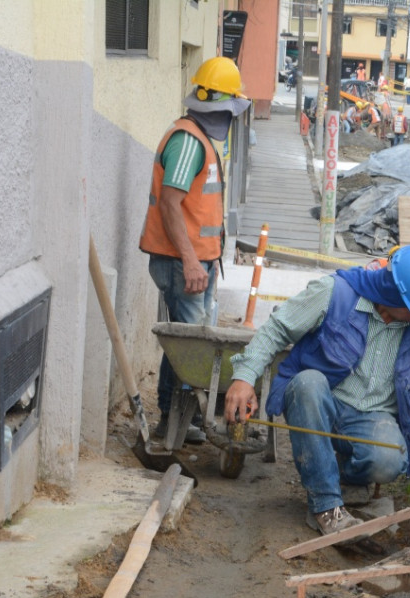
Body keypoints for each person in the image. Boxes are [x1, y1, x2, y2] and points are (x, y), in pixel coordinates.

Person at [223, 244, 410, 539]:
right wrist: (244, 378)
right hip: (318, 401)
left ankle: (330, 472)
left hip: (372, 415)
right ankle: (326, 507)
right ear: (395, 294)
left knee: (389, 461)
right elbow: (277, 329)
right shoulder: (335, 293)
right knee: (308, 383)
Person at [139, 57, 251, 443]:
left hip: (199, 263)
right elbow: (171, 203)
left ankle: (178, 419)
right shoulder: (188, 141)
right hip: (182, 263)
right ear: (215, 105)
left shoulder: (198, 138)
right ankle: (175, 419)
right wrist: (189, 261)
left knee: (186, 344)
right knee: (190, 347)